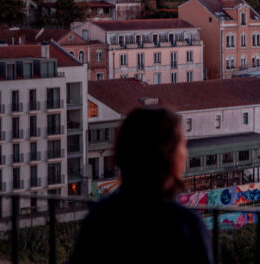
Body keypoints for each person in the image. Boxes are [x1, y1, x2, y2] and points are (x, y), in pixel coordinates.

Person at [69, 107, 213, 263]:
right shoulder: (186, 226)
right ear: (169, 156)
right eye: (183, 145)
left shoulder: (99, 217)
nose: (186, 153)